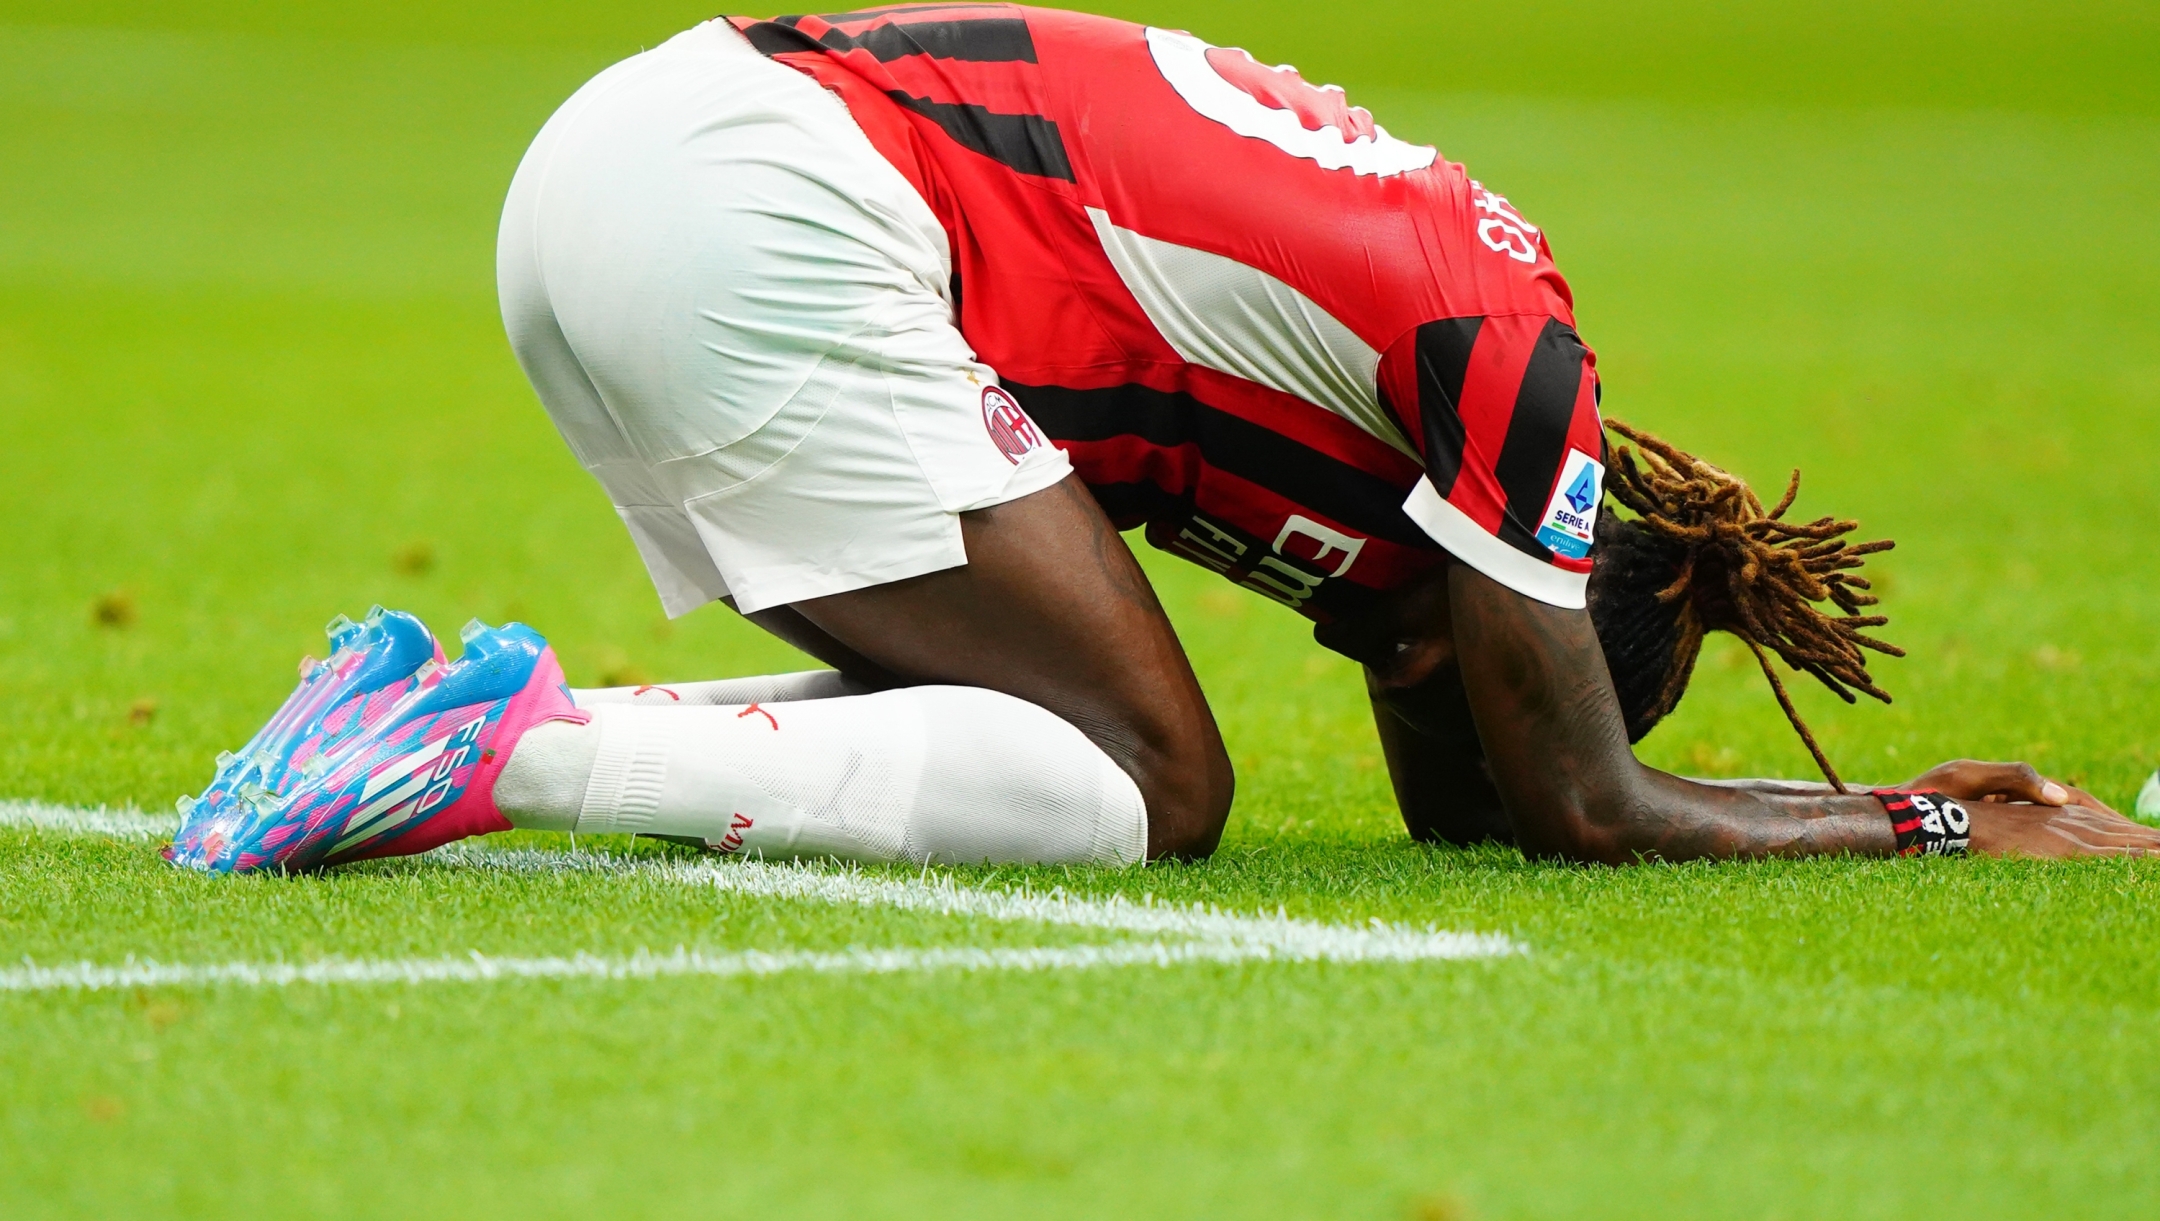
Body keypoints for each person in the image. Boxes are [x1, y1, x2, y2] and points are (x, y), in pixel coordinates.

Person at [167, 7, 2159, 874]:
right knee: (1157, 779)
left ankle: (422, 707)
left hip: (633, 158)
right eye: (1428, 676)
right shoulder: (1518, 371)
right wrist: (1933, 810)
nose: (1389, 688)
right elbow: (1580, 811)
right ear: (1500, 616)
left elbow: (1514, 791)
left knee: (1033, 711)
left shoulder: (1388, 397)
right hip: (758, 208)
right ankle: (520, 748)